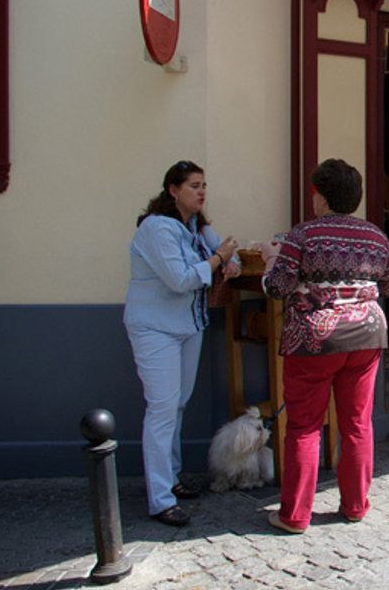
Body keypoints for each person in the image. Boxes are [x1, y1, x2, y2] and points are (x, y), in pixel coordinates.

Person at [262, 159, 389, 533]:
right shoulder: (376, 236)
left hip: (314, 340)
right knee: (357, 424)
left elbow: (277, 287)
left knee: (305, 426)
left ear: (319, 196)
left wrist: (271, 260)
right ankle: (355, 505)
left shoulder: (302, 235)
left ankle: (295, 515)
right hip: (367, 336)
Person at [124, 160, 240, 527]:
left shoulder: (196, 227)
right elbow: (179, 279)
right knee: (161, 408)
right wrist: (219, 258)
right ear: (172, 190)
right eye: (193, 185)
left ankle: (170, 479)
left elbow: (226, 253)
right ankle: (159, 498)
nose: (201, 191)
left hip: (189, 325)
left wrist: (229, 261)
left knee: (177, 405)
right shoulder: (158, 229)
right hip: (155, 329)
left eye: (204, 184)